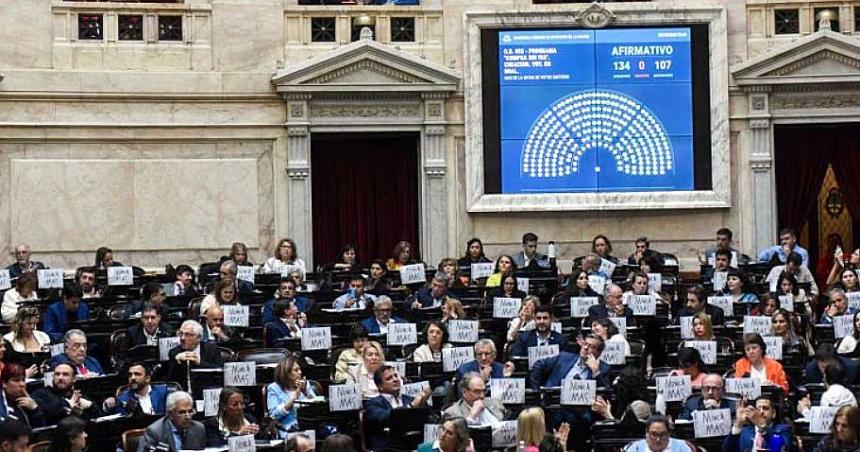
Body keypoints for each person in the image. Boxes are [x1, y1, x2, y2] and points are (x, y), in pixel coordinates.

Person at [364, 365, 432, 451]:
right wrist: (411, 406)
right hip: (387, 447)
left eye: (396, 376)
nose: (395, 379)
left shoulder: (409, 399)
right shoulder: (373, 404)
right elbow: (387, 417)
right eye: (389, 378)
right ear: (380, 386)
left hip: (414, 444)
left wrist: (424, 404)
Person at [530, 333, 611, 387]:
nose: (585, 348)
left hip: (583, 410)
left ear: (599, 353)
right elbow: (538, 365)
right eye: (585, 344)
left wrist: (596, 372)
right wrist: (537, 391)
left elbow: (604, 394)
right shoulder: (564, 357)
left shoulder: (604, 368)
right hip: (555, 406)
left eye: (591, 346)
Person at [31, 363, 99, 425]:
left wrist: (90, 406)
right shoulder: (40, 395)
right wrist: (68, 405)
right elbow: (45, 413)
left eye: (65, 374)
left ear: (74, 378)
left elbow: (98, 417)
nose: (60, 378)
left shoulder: (79, 396)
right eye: (57, 374)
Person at [266, 355, 317, 438]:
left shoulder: (304, 386)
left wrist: (306, 391)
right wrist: (293, 399)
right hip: (286, 430)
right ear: (286, 373)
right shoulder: (274, 388)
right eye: (296, 370)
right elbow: (274, 415)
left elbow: (316, 407)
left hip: (308, 428)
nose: (300, 372)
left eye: (300, 369)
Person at [137, 391, 206, 451]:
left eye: (190, 411)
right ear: (170, 414)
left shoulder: (198, 429)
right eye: (182, 412)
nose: (187, 416)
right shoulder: (154, 432)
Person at [724, 396, 792, 452]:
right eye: (758, 408)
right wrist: (738, 425)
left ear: (773, 413)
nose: (761, 412)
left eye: (765, 408)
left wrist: (761, 425)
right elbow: (727, 450)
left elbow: (782, 448)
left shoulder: (784, 429)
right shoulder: (745, 431)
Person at [167, 320, 225, 386]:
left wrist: (200, 363)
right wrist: (176, 361)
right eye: (181, 334)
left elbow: (219, 371)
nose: (182, 338)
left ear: (199, 337)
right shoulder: (174, 352)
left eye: (187, 334)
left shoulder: (212, 349)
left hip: (206, 388)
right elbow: (170, 381)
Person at [624, 415, 693, 452]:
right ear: (646, 433)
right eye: (653, 434)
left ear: (669, 434)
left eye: (662, 435)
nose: (658, 439)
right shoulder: (635, 448)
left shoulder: (682, 447)